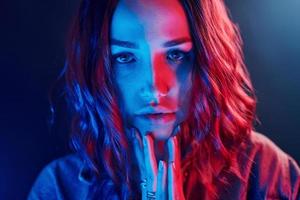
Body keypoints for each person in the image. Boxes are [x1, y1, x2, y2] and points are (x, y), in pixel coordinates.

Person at [28, 0, 300, 199]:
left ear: (208, 61)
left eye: (176, 55)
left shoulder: (268, 174)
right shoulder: (60, 188)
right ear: (96, 70)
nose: (155, 88)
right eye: (124, 58)